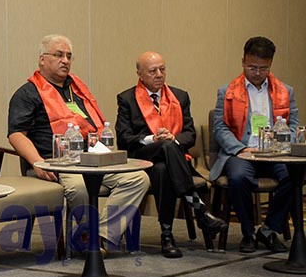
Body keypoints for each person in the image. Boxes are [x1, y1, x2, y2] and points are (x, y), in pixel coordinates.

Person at [8, 34, 149, 253]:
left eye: (69, 56)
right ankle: (87, 235)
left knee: (137, 179)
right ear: (42, 60)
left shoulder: (77, 90)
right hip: (57, 163)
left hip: (92, 157)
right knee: (79, 188)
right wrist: (36, 163)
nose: (65, 60)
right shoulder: (28, 93)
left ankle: (98, 235)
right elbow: (16, 134)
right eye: (59, 55)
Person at [116, 52, 227, 257]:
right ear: (139, 74)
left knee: (163, 168)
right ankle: (199, 210)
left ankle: (167, 236)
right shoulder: (127, 99)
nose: (159, 74)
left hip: (171, 163)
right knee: (165, 148)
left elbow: (190, 135)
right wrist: (152, 139)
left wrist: (173, 138)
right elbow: (123, 138)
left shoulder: (179, 96)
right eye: (152, 71)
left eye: (162, 69)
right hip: (142, 158)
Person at [212, 36, 297, 253]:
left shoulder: (285, 91)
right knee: (239, 178)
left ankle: (268, 230)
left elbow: (294, 124)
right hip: (242, 152)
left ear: (270, 65)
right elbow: (220, 129)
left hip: (275, 153)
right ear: (243, 62)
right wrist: (240, 149)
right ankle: (248, 233)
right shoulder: (227, 92)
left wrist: (285, 144)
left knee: (294, 175)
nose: (257, 72)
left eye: (263, 68)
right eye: (252, 67)